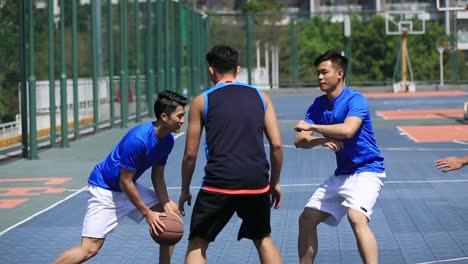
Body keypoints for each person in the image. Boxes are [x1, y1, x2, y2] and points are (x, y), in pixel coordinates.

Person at [53, 90, 187, 264]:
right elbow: (125, 181)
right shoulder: (139, 140)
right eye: (180, 116)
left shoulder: (167, 140)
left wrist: (166, 204)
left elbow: (158, 177)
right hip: (105, 188)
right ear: (164, 116)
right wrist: (147, 213)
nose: (183, 120)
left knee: (171, 213)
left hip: (126, 186)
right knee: (90, 249)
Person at [178, 44, 284, 264]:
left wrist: (185, 190)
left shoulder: (201, 101)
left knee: (198, 242)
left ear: (211, 70)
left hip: (219, 182)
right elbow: (276, 146)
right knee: (263, 239)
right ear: (238, 69)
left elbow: (190, 154)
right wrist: (274, 183)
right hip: (256, 182)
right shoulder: (261, 97)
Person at [294, 50, 385, 264]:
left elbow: (348, 130)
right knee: (307, 218)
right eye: (318, 73)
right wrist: (321, 140)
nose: (320, 77)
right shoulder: (318, 105)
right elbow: (299, 141)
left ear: (340, 74)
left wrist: (314, 127)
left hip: (368, 171)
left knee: (356, 217)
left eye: (324, 72)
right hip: (342, 174)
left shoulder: (355, 99)